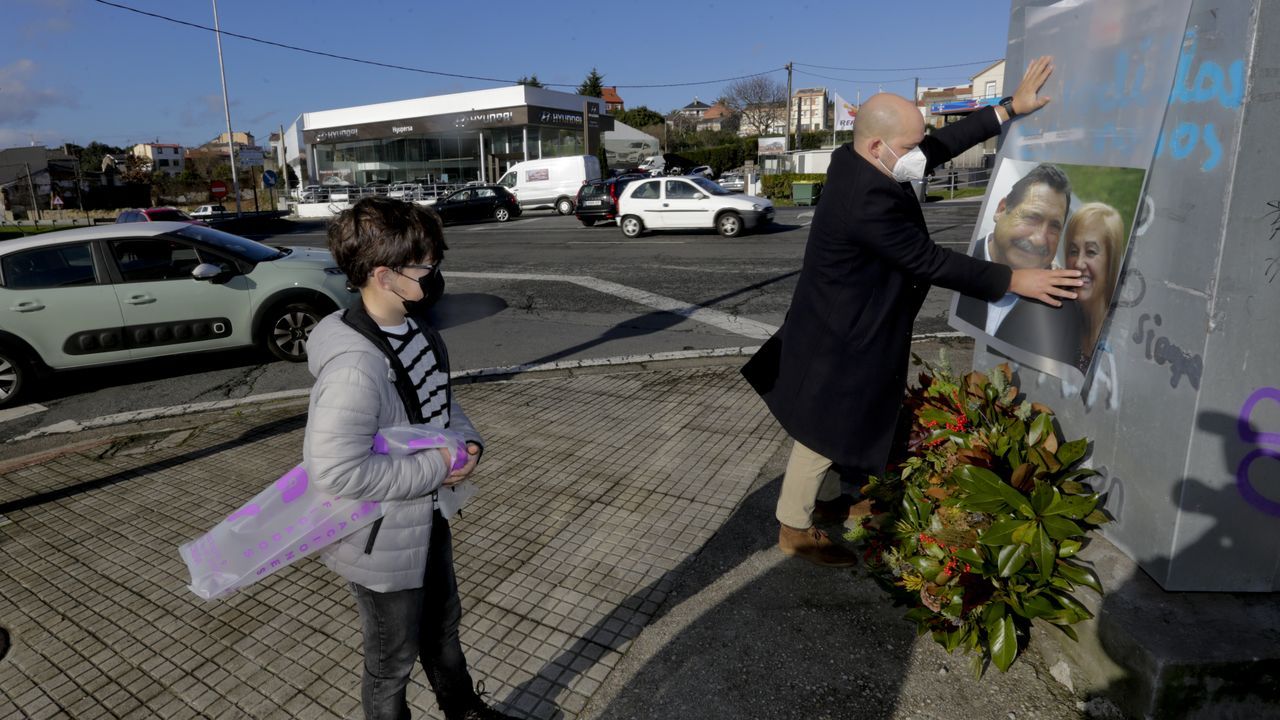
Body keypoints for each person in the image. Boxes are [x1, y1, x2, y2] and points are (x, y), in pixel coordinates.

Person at [741, 56, 1082, 567]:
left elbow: (938, 146)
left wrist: (1009, 108)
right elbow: (930, 261)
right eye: (906, 147)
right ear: (878, 146)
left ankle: (829, 501)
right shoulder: (865, 200)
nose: (916, 156)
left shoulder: (858, 156)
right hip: (843, 332)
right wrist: (1016, 278)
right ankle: (794, 527)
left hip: (841, 318)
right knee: (821, 430)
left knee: (838, 420)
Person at [304, 196, 514, 720]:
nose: (435, 274)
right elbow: (334, 470)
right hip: (380, 538)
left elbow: (439, 401)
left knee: (443, 630)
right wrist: (439, 467)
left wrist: (468, 444)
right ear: (384, 275)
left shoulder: (418, 331)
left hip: (426, 517)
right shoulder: (355, 365)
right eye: (425, 266)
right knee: (390, 661)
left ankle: (465, 711)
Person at [954, 162, 1084, 366]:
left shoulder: (1066, 306)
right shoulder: (957, 271)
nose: (1040, 239)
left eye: (1054, 227)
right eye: (1032, 217)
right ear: (1001, 209)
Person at [1064, 202, 1124, 369]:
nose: (1079, 263)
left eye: (1091, 252)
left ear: (1111, 261)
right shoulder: (1061, 320)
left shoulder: (1120, 337)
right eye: (1073, 251)